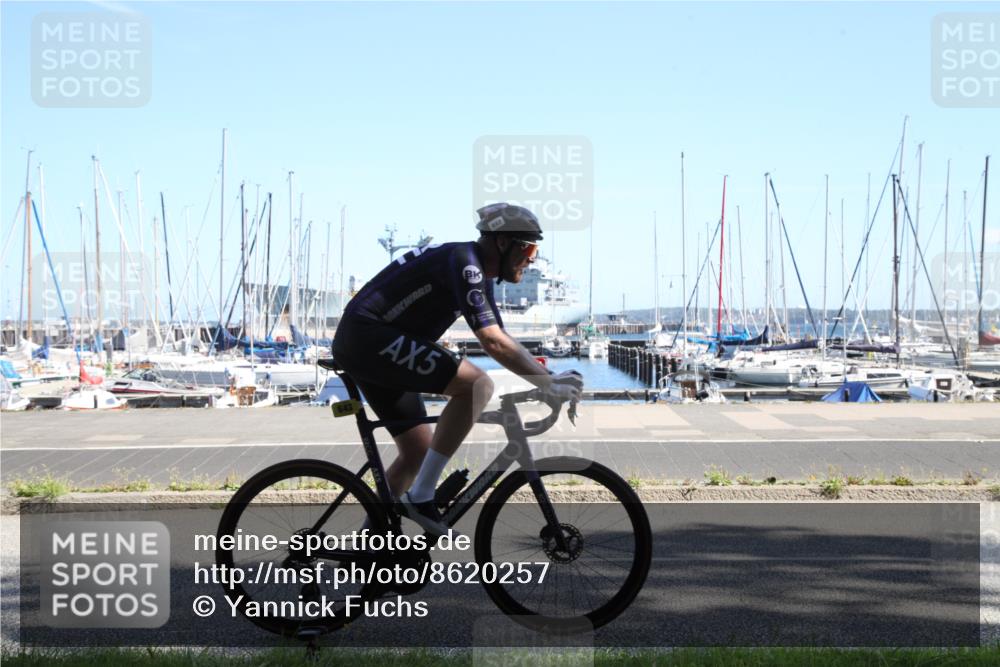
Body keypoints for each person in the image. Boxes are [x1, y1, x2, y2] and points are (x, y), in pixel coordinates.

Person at [332, 203, 583, 536]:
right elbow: (492, 342)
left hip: (371, 342)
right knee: (476, 386)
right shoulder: (466, 265)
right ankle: (421, 497)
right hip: (369, 338)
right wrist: (548, 384)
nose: (533, 257)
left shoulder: (475, 269)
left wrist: (546, 376)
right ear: (503, 243)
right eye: (530, 247)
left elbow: (502, 338)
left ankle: (369, 552)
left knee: (417, 451)